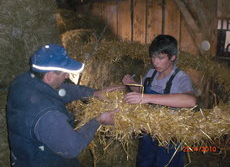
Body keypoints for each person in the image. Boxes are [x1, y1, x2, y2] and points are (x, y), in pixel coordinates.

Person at [7, 44, 123, 167]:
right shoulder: (49, 116)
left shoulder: (23, 81)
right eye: (64, 73)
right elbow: (72, 148)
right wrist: (99, 120)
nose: (67, 76)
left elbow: (63, 90)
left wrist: (94, 93)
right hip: (43, 161)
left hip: (24, 154)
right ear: (50, 76)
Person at [122, 35, 196, 167]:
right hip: (148, 131)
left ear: (173, 57)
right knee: (144, 161)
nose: (155, 62)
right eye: (153, 57)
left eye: (160, 58)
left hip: (169, 136)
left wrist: (148, 98)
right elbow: (142, 93)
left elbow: (191, 101)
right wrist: (132, 84)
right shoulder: (151, 73)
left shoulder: (181, 78)